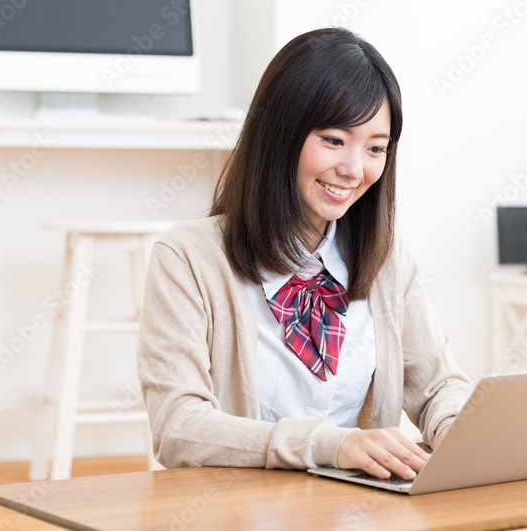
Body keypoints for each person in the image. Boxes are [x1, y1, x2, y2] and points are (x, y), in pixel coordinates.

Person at [137, 27, 472, 481]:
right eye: (333, 140)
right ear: (279, 133)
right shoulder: (188, 258)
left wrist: (463, 433)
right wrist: (332, 445)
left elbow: (437, 387)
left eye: (376, 148)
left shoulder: (387, 262)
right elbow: (178, 427)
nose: (355, 169)